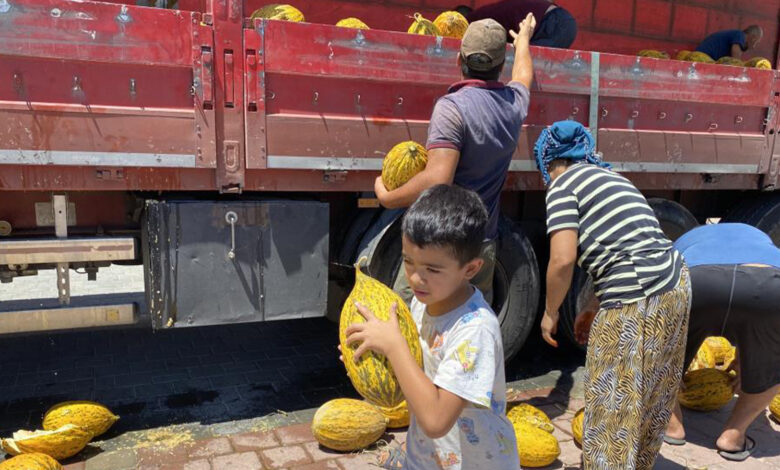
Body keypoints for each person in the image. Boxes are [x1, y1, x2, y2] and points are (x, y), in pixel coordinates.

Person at [536, 121, 691, 469]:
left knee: (612, 406)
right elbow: (624, 244)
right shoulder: (615, 179)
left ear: (549, 163)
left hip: (636, 294)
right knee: (650, 396)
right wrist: (592, 305)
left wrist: (550, 312)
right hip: (675, 283)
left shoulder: (562, 187)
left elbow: (562, 259)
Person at [343, 185, 520, 470]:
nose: (416, 279)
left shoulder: (475, 329)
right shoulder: (420, 305)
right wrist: (373, 358)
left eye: (432, 269)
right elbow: (416, 375)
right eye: (408, 261)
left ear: (471, 269)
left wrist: (394, 346)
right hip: (426, 458)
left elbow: (436, 420)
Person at [374, 14, 535, 306]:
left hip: (441, 246)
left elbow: (438, 178)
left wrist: (388, 197)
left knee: (409, 324)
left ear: (459, 61)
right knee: (468, 323)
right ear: (501, 67)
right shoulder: (514, 105)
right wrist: (523, 40)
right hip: (481, 243)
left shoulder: (453, 108)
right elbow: (523, 76)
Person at [662, 223, 780, 462]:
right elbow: (747, 312)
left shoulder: (686, 240)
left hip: (699, 280)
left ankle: (670, 424)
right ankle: (734, 436)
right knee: (774, 357)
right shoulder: (765, 246)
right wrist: (754, 364)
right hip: (768, 286)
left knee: (664, 352)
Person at [456, 0, 576, 48]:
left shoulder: (471, 22)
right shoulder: (488, 13)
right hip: (559, 21)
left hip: (553, 23)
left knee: (525, 63)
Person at [695, 25, 763, 61]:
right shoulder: (739, 35)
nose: (754, 46)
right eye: (756, 42)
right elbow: (735, 58)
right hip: (701, 58)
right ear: (753, 37)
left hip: (703, 58)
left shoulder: (737, 36)